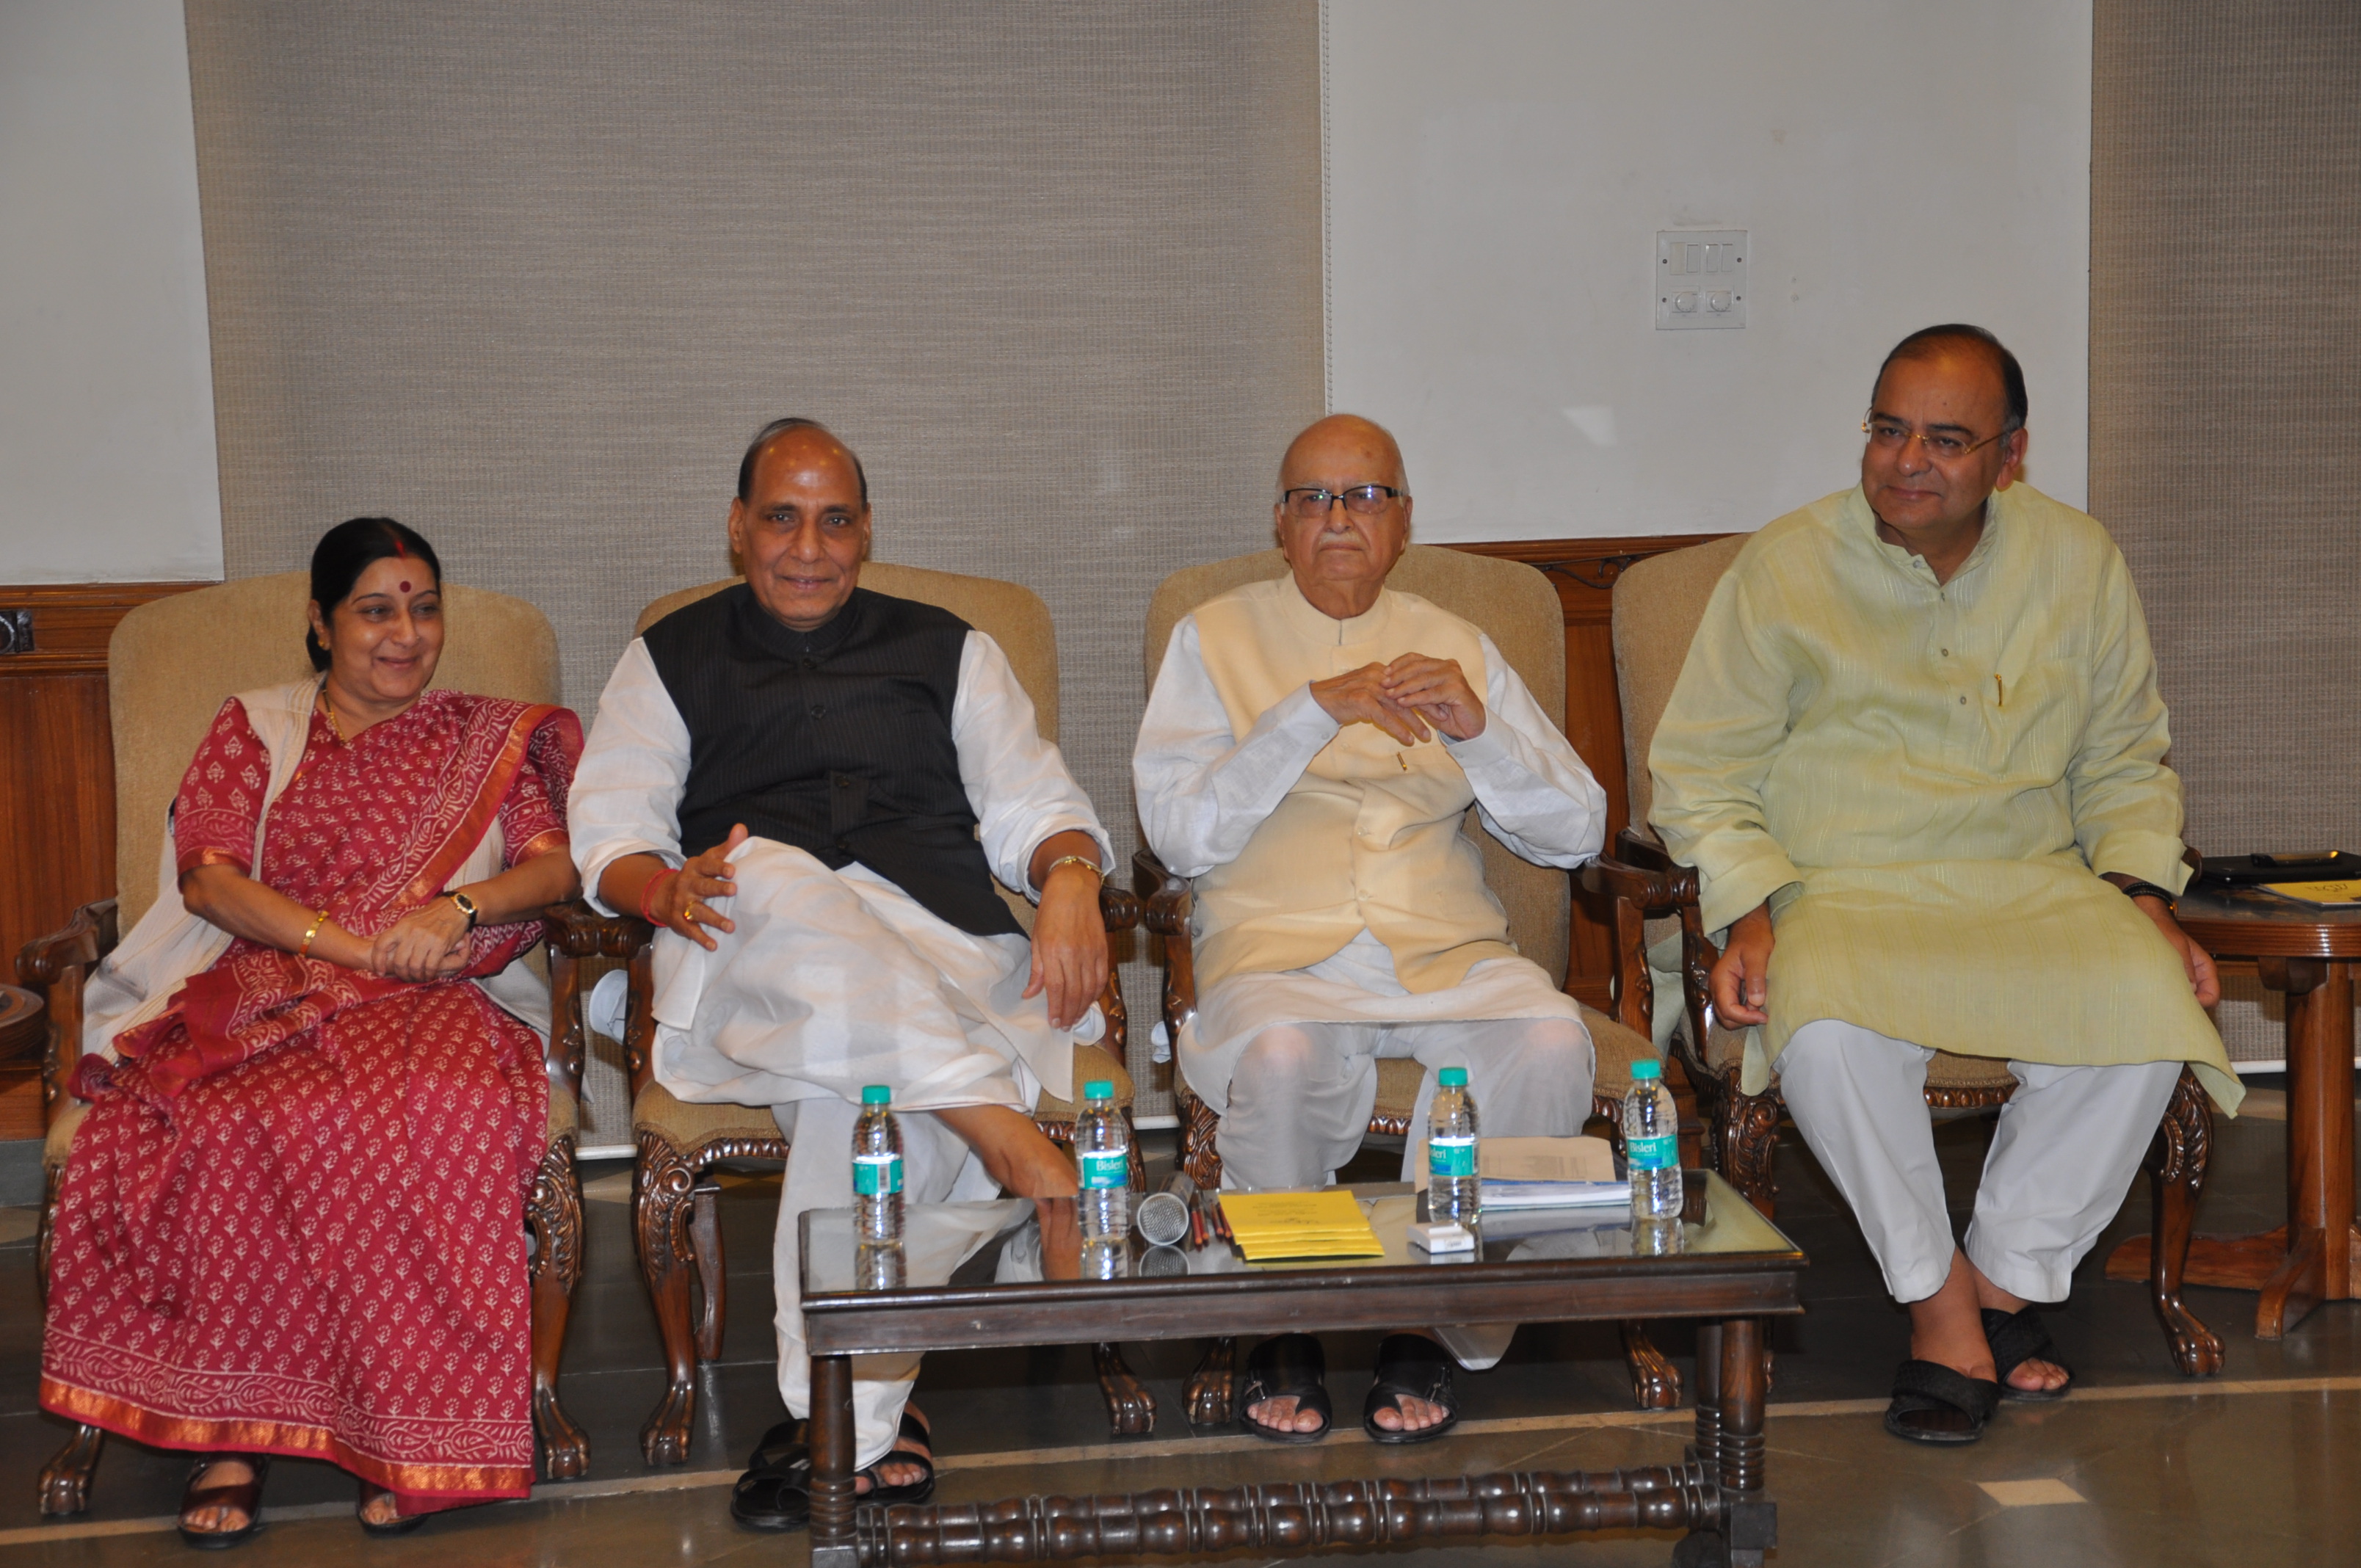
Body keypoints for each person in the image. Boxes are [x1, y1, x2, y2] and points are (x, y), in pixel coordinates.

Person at [1647, 324, 2240, 1447]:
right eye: (1887, 429)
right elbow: (1703, 773)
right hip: (1841, 889)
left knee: (2152, 1013)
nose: (1906, 460)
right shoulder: (1783, 566)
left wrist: (2148, 900)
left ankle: (2002, 1284)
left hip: (2032, 886)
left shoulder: (2078, 560)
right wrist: (1753, 910)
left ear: (2010, 456)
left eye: (1946, 439)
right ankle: (1939, 1310)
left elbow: (2123, 759)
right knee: (1821, 1035)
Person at [568, 418, 1112, 1529]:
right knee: (766, 865)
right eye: (781, 517)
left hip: (928, 950)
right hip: (750, 948)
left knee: (862, 1108)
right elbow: (610, 829)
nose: (807, 546)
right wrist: (656, 887)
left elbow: (1036, 804)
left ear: (867, 532)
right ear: (736, 529)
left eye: (834, 519)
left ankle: (850, 1427)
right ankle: (1011, 1135)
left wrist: (1069, 879)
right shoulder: (670, 656)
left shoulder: (949, 646)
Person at [40, 518, 584, 1543]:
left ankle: (414, 1437)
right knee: (231, 1117)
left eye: (423, 608)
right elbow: (209, 878)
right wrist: (347, 946)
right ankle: (227, 1432)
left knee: (438, 1112)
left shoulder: (483, 737)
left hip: (439, 993)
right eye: (376, 610)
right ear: (322, 624)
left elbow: (553, 869)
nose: (405, 633)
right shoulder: (255, 727)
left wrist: (456, 913)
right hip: (267, 986)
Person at [1134, 413, 1607, 1444]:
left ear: (1401, 524)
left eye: (1364, 497)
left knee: (1547, 1040)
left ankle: (1433, 1321)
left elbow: (1580, 829)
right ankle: (1289, 1323)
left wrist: (1480, 735)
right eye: (1313, 498)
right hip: (1278, 950)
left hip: (1445, 951)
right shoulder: (1210, 637)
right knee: (1286, 1054)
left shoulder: (1459, 643)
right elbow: (1177, 833)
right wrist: (1307, 713)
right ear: (1280, 523)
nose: (1338, 519)